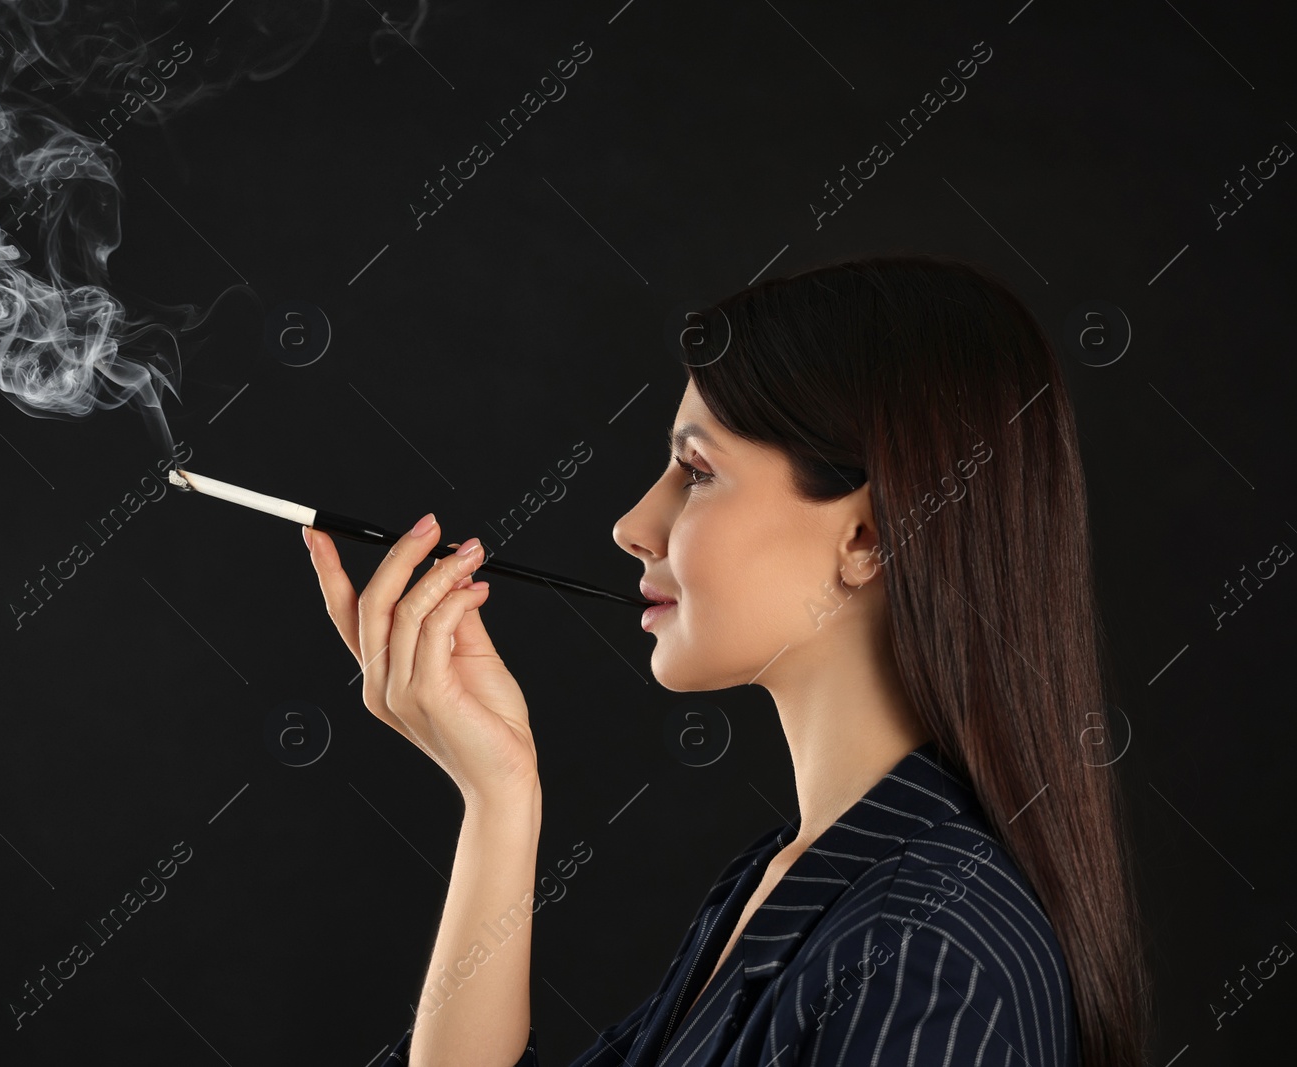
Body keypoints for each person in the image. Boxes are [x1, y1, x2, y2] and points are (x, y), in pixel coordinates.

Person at [302, 255, 1152, 1066]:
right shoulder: (788, 879)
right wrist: (499, 794)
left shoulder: (928, 960)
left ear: (867, 536)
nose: (632, 525)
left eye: (695, 471)